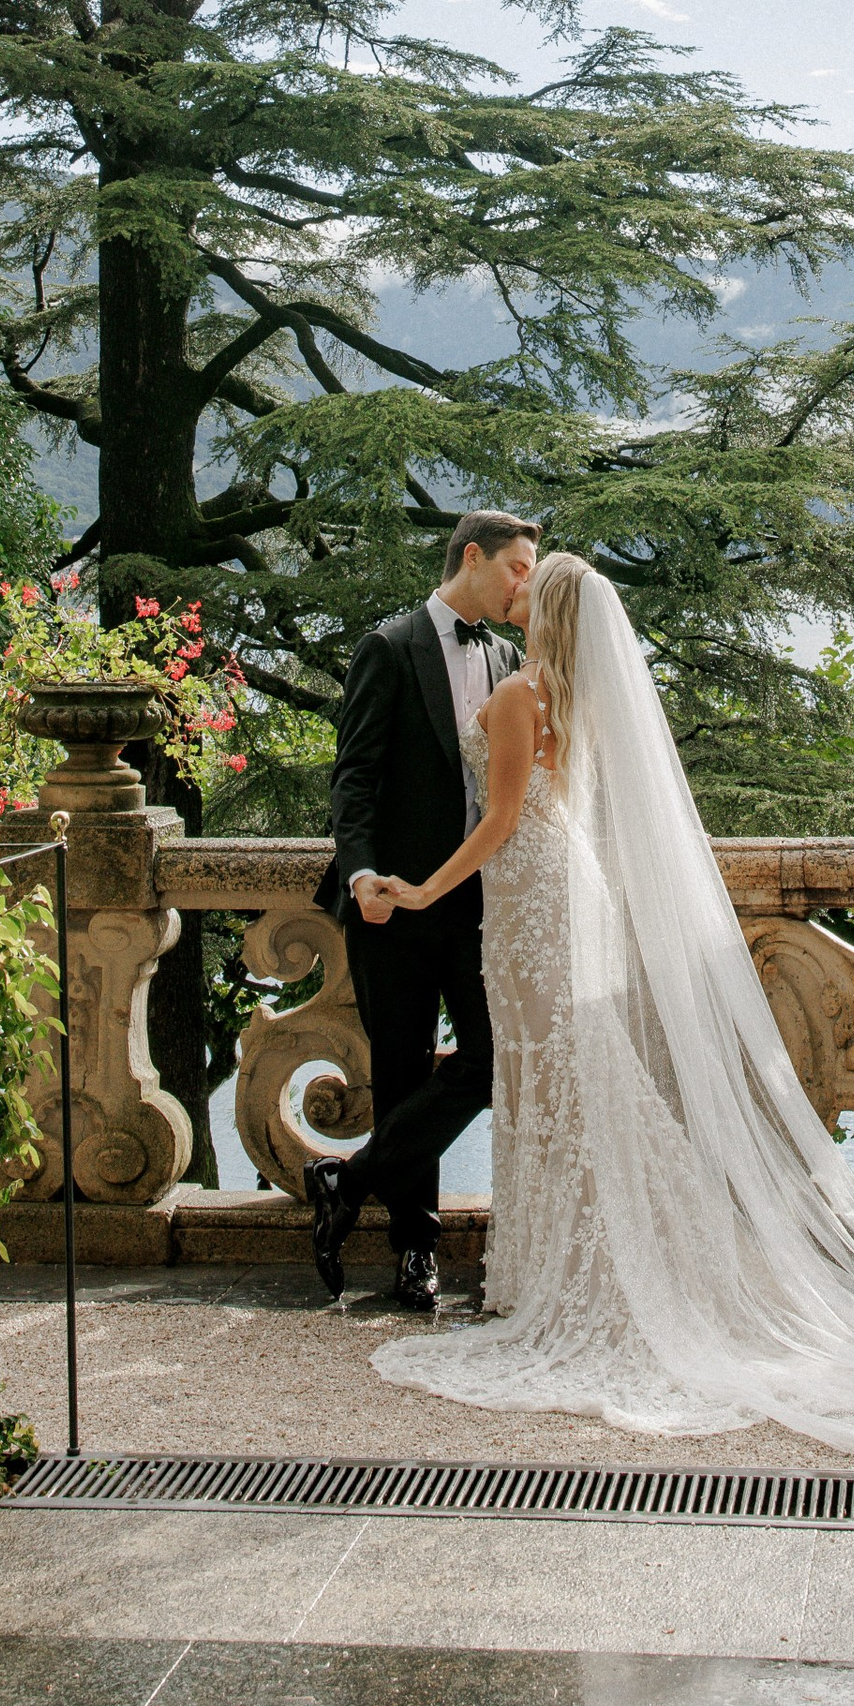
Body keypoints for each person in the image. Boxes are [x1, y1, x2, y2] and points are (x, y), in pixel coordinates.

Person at [353, 550, 854, 1463]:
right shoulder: (574, 697)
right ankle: (556, 1264)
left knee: (551, 1081)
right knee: (565, 1079)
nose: (516, 595)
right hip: (556, 895)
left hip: (528, 902)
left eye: (528, 587)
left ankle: (558, 1273)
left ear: (546, 614)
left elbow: (501, 821)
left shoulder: (519, 694)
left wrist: (424, 892)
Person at [307, 512, 538, 1314]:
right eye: (515, 566)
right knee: (402, 1070)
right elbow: (355, 777)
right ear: (470, 556)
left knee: (484, 1060)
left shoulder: (510, 658)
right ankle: (415, 1253)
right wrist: (365, 871)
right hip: (392, 907)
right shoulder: (389, 646)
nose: (524, 583)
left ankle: (347, 1180)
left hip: (480, 906)